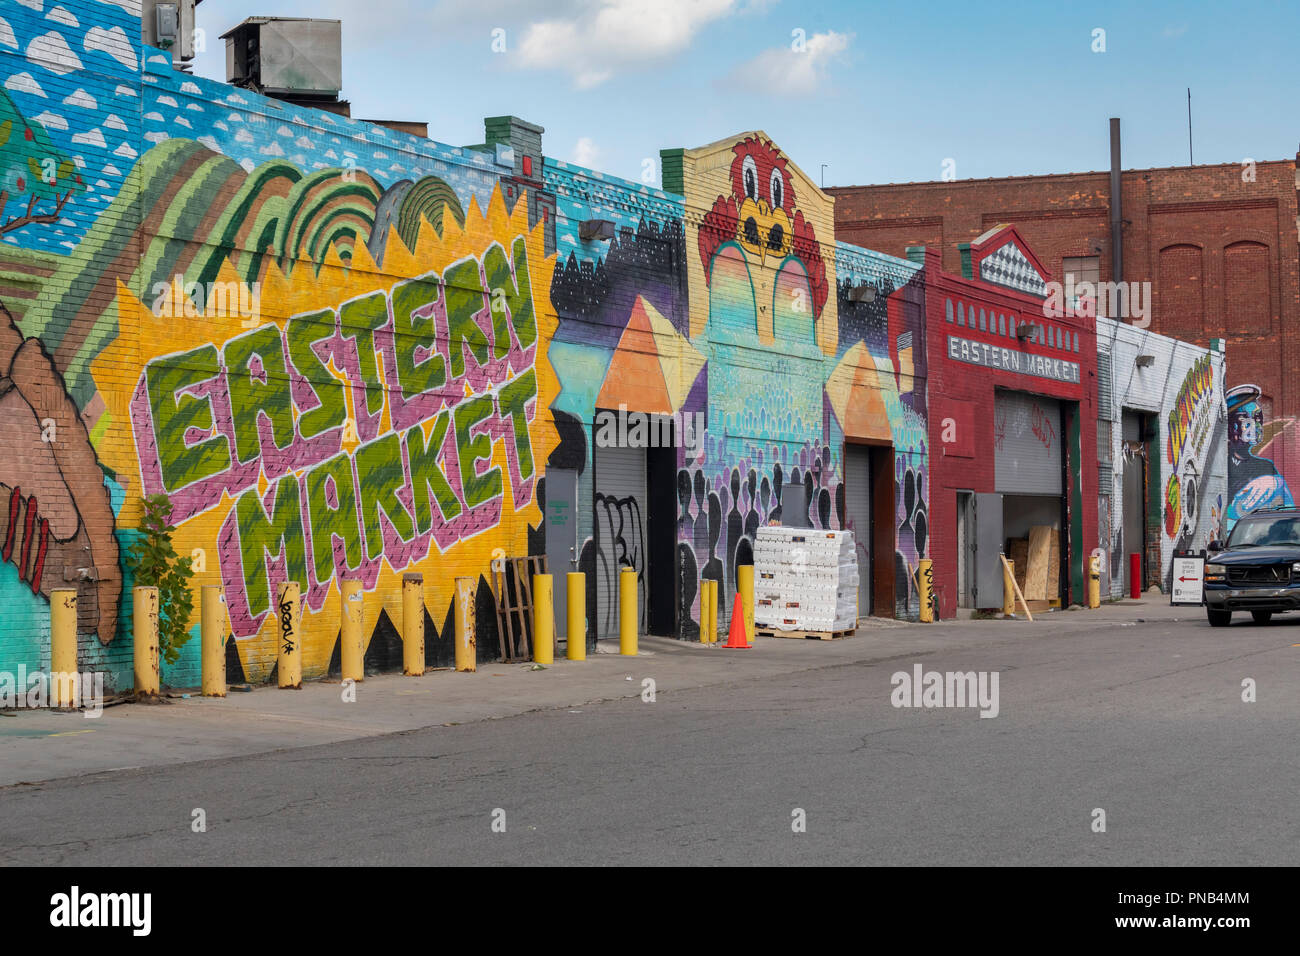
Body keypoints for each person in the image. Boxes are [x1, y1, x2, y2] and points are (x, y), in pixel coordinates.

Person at [1225, 384, 1293, 527]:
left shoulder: (1266, 467)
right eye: (1244, 418)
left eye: (1257, 417)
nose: (1253, 424)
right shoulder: (1221, 467)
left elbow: (1287, 511)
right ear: (1229, 426)